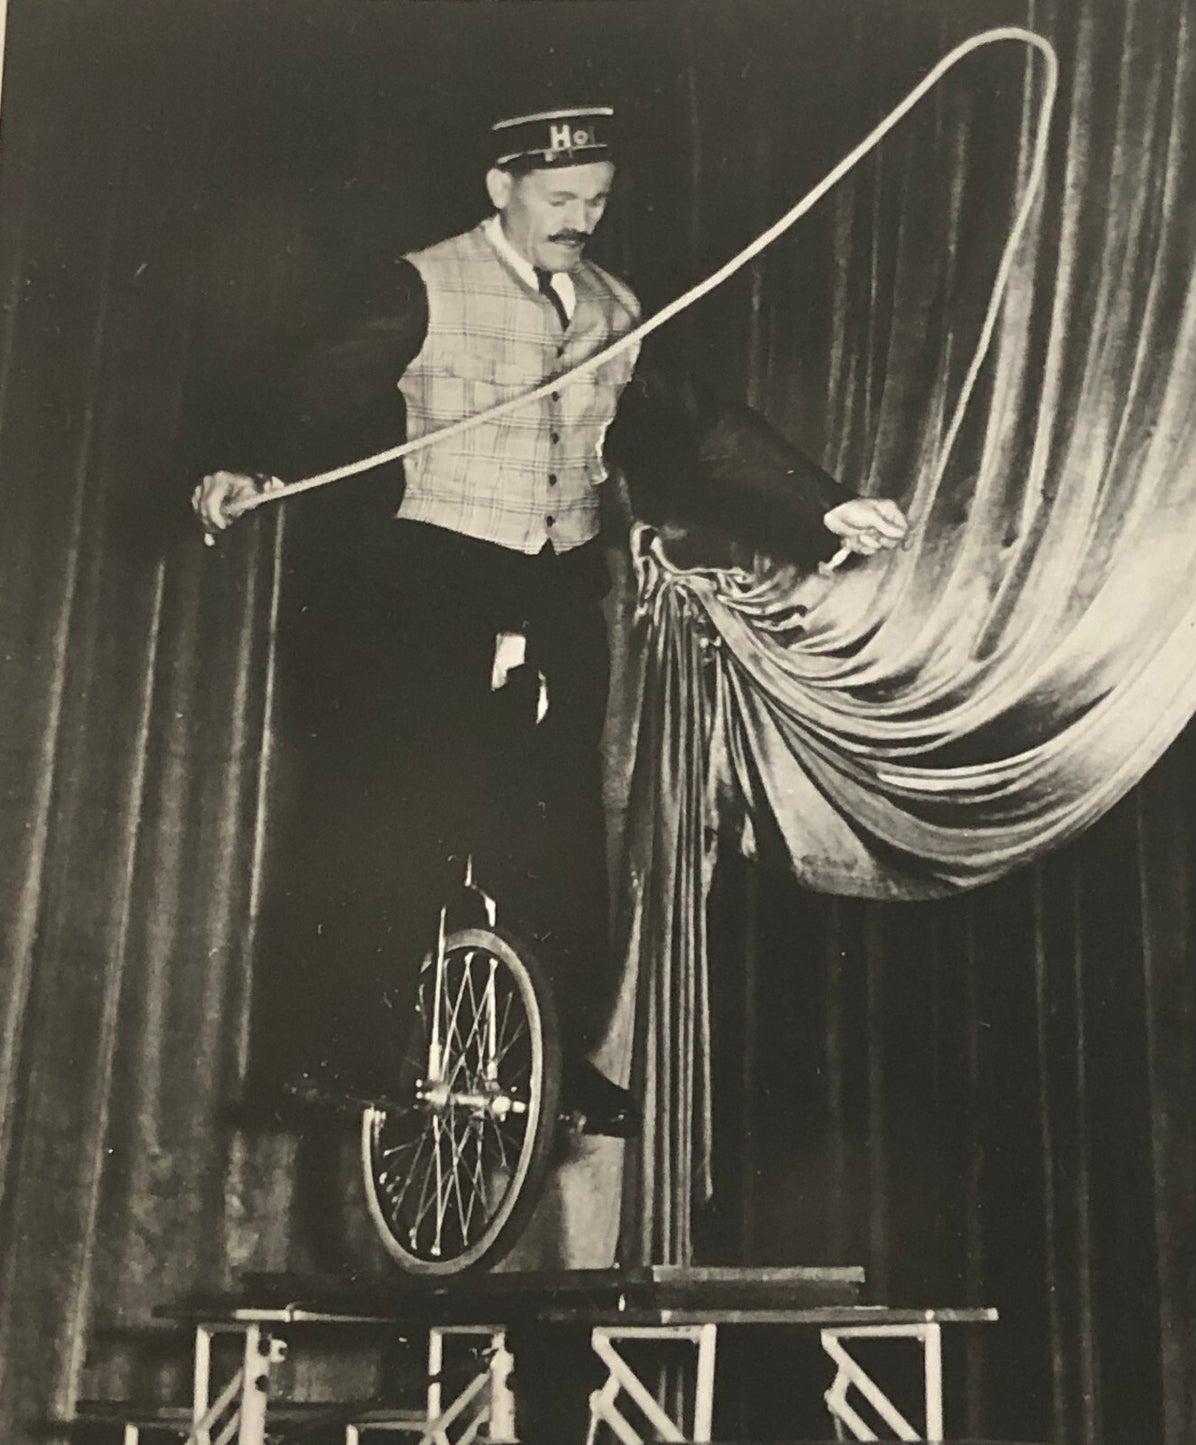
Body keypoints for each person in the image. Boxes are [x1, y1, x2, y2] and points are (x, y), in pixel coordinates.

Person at [191, 105, 907, 1137]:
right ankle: (339, 1052)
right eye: (561, 200)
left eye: (598, 202)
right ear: (501, 188)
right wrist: (247, 467)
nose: (582, 219)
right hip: (430, 577)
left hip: (553, 580)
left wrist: (822, 503)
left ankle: (553, 1055)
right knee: (401, 805)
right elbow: (312, 390)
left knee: (559, 829)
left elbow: (699, 426)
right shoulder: (421, 284)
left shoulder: (614, 307)